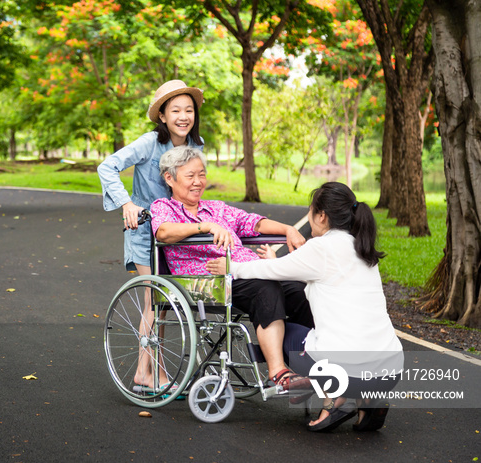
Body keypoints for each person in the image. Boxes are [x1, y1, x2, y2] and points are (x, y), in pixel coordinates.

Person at [208, 181, 403, 432]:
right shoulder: (362, 246)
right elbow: (316, 275)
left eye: (310, 211)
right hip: (391, 369)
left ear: (322, 216)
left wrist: (231, 267)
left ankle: (334, 400)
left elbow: (270, 271)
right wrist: (277, 262)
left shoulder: (321, 247)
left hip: (348, 372)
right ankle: (369, 401)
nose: (310, 218)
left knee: (283, 333)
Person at [150, 145, 314, 391]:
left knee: (303, 292)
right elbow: (163, 231)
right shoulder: (164, 207)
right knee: (265, 289)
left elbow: (253, 222)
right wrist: (205, 227)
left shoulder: (217, 208)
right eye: (190, 176)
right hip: (211, 281)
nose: (198, 182)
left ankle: (305, 365)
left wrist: (288, 229)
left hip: (248, 271)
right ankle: (278, 372)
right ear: (170, 178)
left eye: (202, 174)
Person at [98, 80, 204, 390]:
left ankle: (147, 374)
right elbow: (108, 167)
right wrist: (127, 203)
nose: (183, 116)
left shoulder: (195, 146)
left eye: (188, 110)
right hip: (145, 233)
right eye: (175, 110)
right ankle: (151, 374)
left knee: (162, 304)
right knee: (155, 300)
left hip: (174, 236)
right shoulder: (148, 143)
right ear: (162, 115)